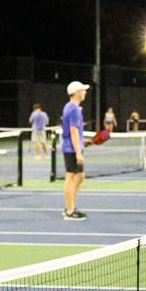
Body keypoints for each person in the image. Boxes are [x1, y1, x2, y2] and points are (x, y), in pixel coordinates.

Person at [60, 81, 89, 220]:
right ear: (76, 92)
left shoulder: (70, 107)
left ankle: (70, 205)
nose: (85, 92)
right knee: (71, 177)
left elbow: (74, 131)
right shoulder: (74, 109)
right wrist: (78, 153)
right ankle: (69, 211)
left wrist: (84, 143)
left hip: (73, 146)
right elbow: (73, 131)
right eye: (83, 90)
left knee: (80, 176)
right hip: (71, 149)